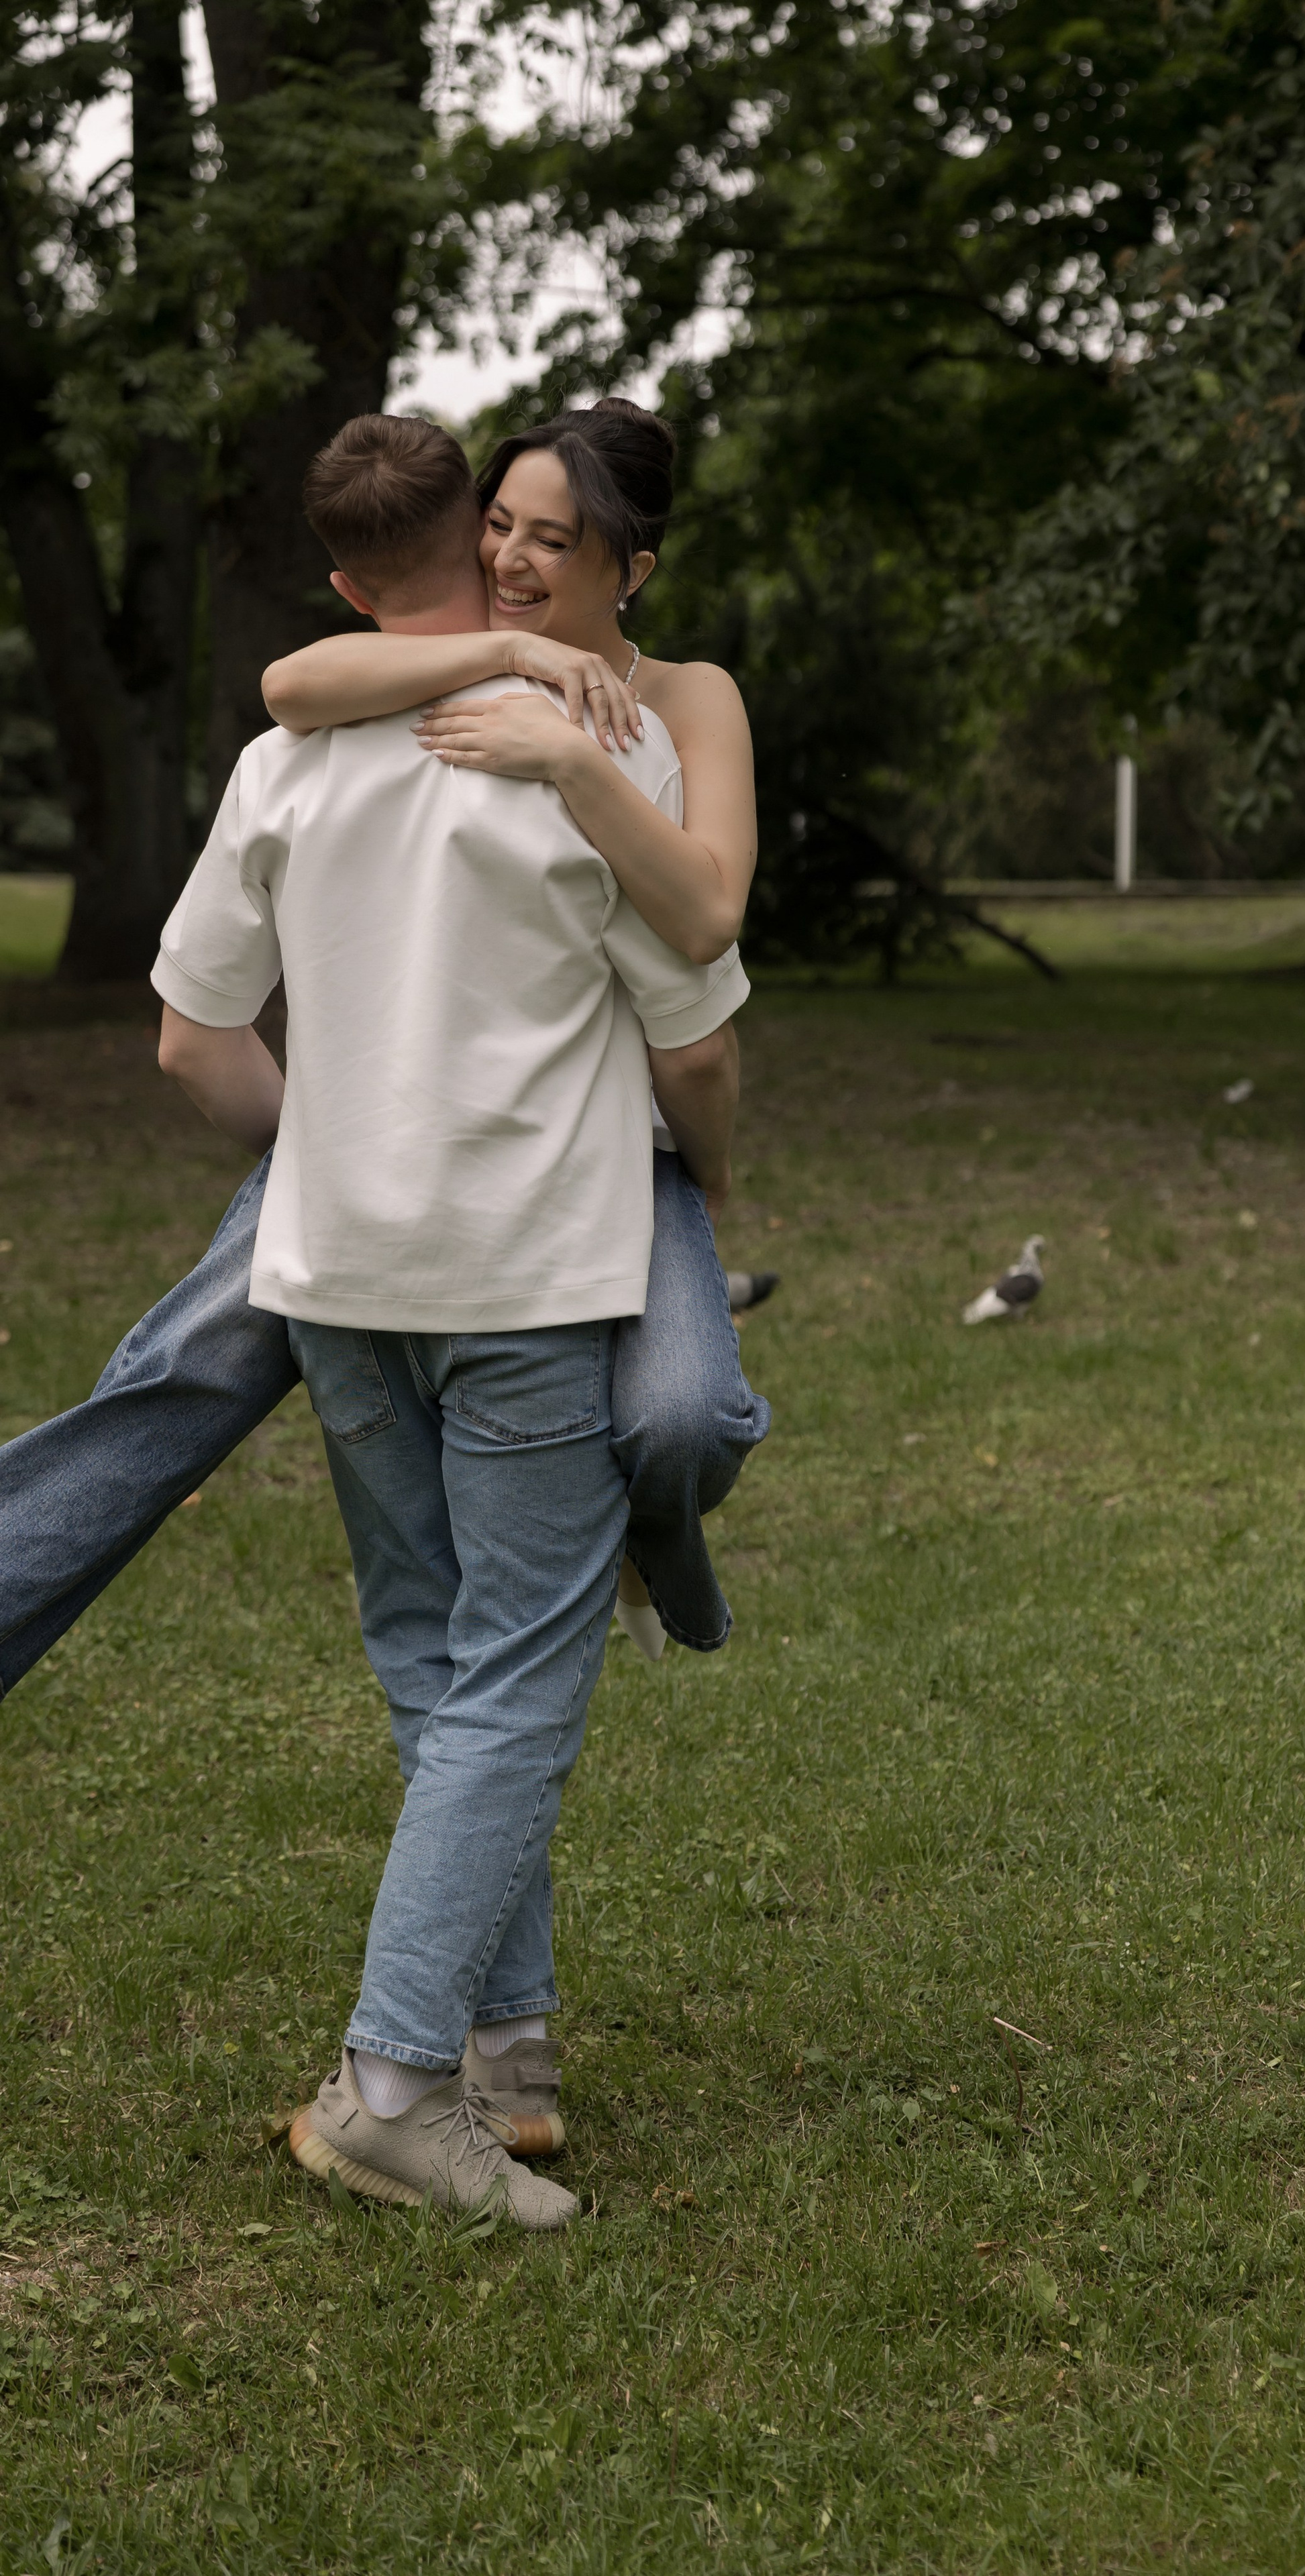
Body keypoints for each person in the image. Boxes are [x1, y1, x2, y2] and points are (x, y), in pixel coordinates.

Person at [152, 412, 749, 2228]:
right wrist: (710, 1186)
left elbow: (191, 1041)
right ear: (465, 538)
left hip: (340, 1280)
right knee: (514, 1682)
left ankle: (505, 2048)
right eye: (505, 526)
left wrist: (330, 1154)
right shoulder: (597, 744)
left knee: (436, 1655)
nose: (522, 557)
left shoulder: (287, 757)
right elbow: (695, 1035)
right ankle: (394, 2085)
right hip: (523, 1277)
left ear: (349, 581)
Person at [0, 409, 766, 1702]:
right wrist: (511, 654)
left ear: (632, 569)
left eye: (554, 540)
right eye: (498, 526)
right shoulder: (444, 666)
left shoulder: (681, 700)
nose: (512, 557)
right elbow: (288, 689)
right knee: (187, 1368)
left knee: (684, 1417)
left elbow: (708, 918)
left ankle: (652, 1542)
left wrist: (567, 757)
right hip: (382, 1136)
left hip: (596, 1138)